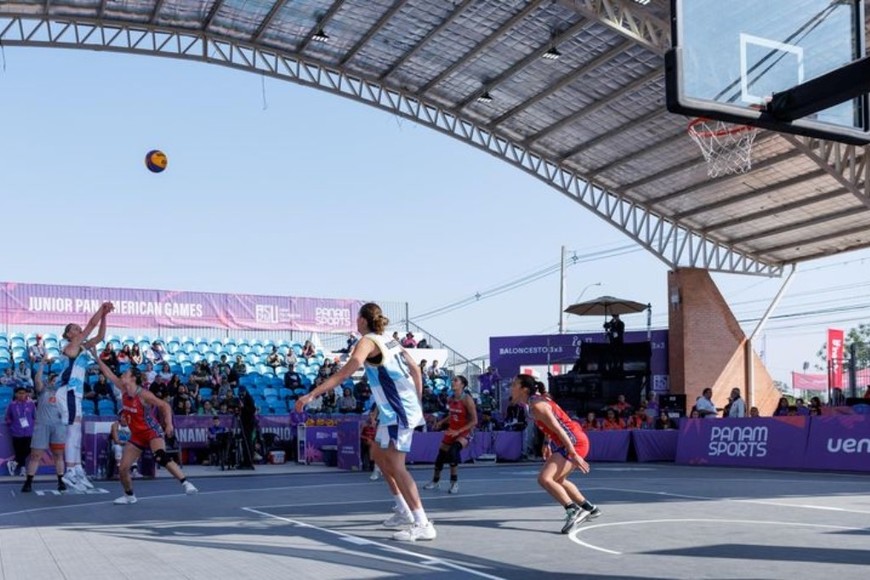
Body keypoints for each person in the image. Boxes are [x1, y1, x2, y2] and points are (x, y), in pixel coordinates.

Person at [296, 302, 436, 542]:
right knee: (378, 455)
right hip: (395, 409)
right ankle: (402, 510)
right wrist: (417, 400)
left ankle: (423, 523)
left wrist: (311, 395)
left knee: (397, 465)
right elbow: (415, 368)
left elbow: (344, 374)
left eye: (357, 318)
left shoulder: (367, 342)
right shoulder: (389, 340)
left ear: (362, 320)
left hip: (399, 410)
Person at [92, 347, 198, 504]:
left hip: (151, 431)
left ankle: (186, 483)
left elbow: (165, 405)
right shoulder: (123, 388)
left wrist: (169, 424)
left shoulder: (143, 395)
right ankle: (129, 496)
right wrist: (96, 357)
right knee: (123, 469)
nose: (122, 375)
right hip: (137, 435)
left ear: (133, 378)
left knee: (160, 456)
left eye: (126, 374)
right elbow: (108, 373)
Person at [510, 374, 599, 534]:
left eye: (514, 384)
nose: (511, 387)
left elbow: (559, 429)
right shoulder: (534, 402)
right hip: (572, 440)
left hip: (573, 441)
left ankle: (573, 510)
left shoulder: (538, 405)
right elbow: (549, 425)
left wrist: (573, 453)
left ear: (524, 389)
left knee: (545, 479)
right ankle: (590, 508)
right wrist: (547, 443)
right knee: (559, 480)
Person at [59, 302, 113, 491]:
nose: (79, 329)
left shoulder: (81, 346)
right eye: (74, 328)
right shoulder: (70, 346)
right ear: (68, 334)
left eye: (78, 327)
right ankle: (69, 471)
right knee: (72, 432)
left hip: (76, 393)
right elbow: (91, 325)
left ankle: (77, 469)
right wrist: (102, 309)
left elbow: (100, 336)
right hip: (67, 391)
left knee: (77, 432)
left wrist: (105, 317)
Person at [423, 375, 477, 494]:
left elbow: (474, 421)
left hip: (464, 431)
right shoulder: (450, 398)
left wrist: (459, 431)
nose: (452, 382)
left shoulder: (467, 399)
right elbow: (452, 414)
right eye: (452, 380)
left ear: (462, 385)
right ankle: (435, 481)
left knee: (453, 452)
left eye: (456, 380)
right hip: (452, 430)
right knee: (440, 456)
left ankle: (454, 483)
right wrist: (441, 422)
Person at [21, 361, 68, 493]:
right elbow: (37, 380)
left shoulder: (63, 394)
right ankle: (28, 482)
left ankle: (61, 481)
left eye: (57, 380)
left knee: (58, 455)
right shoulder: (43, 391)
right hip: (42, 426)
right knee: (35, 455)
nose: (55, 382)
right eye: (53, 380)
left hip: (58, 427)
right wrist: (42, 364)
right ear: (49, 381)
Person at [5, 386, 36, 476]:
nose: (22, 395)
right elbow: (7, 417)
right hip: (16, 432)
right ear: (16, 394)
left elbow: (35, 416)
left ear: (26, 394)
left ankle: (13, 463)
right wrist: (12, 425)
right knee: (19, 452)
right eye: (20, 393)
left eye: (24, 393)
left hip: (28, 432)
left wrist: (32, 425)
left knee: (28, 450)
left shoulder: (31, 404)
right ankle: (22, 469)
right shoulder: (12, 405)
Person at [109, 414, 139, 479]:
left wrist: (130, 444)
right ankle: (119, 471)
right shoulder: (115, 425)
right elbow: (116, 440)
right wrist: (126, 443)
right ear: (120, 418)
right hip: (117, 445)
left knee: (135, 448)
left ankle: (134, 470)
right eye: (123, 417)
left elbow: (135, 439)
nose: (125, 419)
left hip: (128, 446)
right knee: (118, 448)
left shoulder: (132, 425)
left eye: (126, 417)